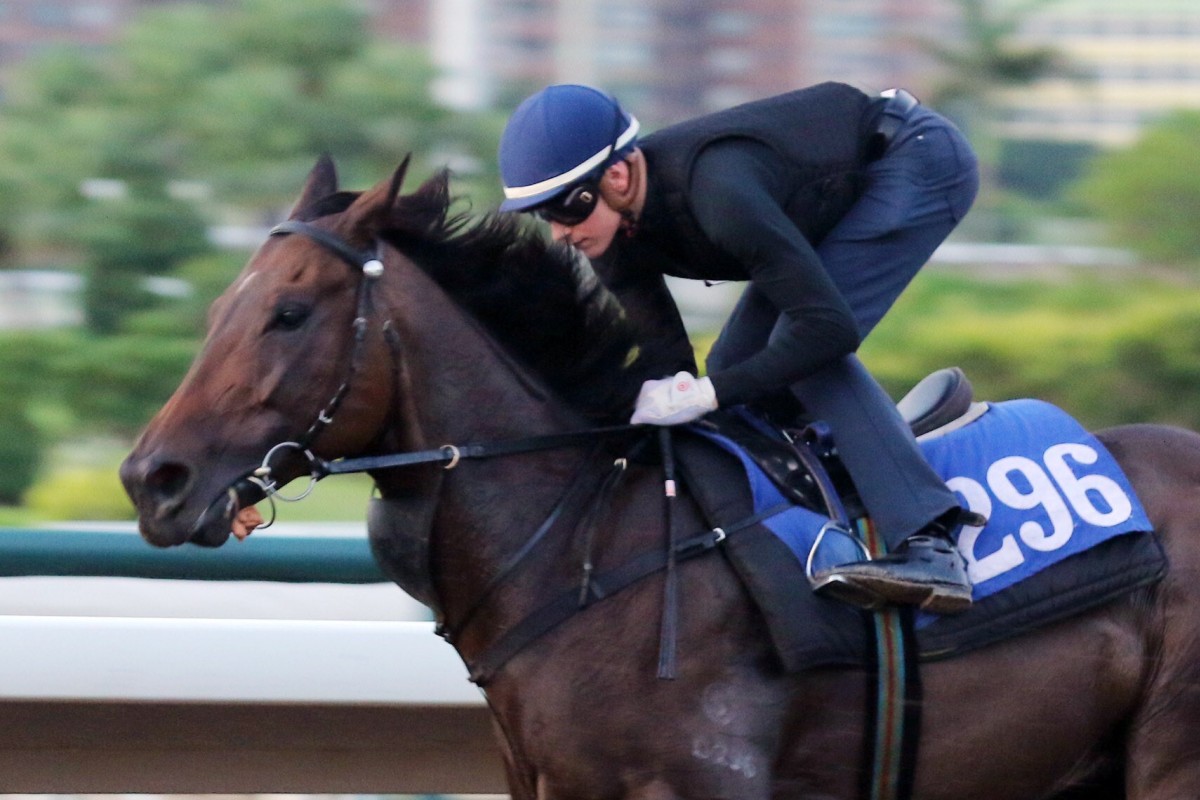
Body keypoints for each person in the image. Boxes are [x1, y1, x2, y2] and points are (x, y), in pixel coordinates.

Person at [496, 82, 980, 614]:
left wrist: (709, 393)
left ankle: (929, 542)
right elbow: (669, 364)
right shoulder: (608, 234)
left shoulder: (718, 192)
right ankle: (821, 497)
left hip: (914, 162)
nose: (559, 234)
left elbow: (826, 331)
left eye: (565, 210)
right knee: (734, 371)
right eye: (543, 216)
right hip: (827, 196)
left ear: (616, 175)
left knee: (801, 359)